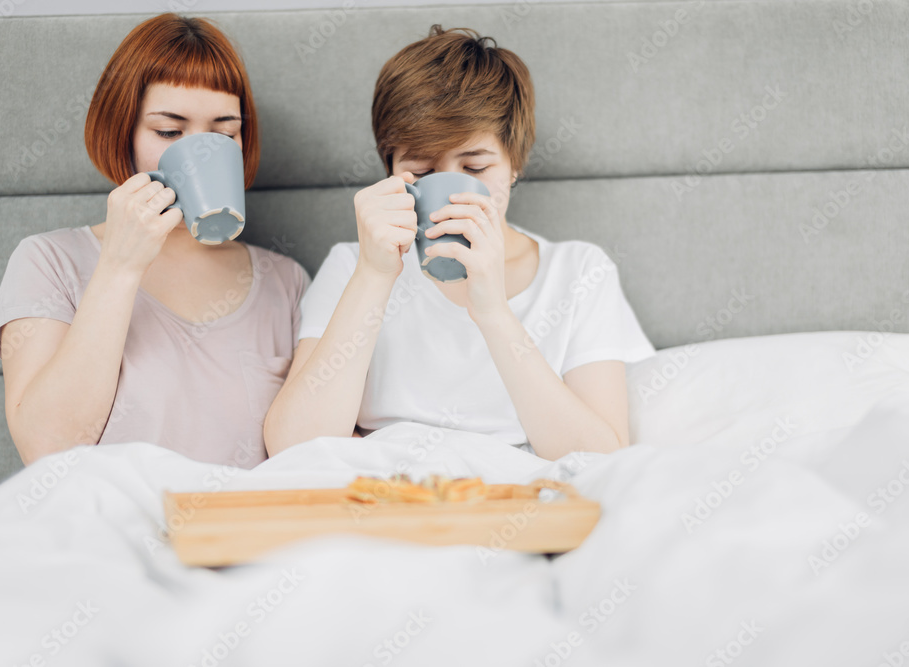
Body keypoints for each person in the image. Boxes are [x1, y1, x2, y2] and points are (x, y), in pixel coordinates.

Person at [263, 25, 654, 461]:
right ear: (391, 173)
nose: (451, 193)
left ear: (514, 165)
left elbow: (604, 458)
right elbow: (292, 447)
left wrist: (491, 312)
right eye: (423, 173)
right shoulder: (352, 266)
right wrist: (374, 276)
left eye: (475, 167)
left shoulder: (579, 271)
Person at [0, 14, 309, 468]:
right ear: (124, 133)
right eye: (169, 132)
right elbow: (48, 451)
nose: (198, 153)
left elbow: (309, 455)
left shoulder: (286, 281)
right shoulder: (48, 261)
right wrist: (120, 267)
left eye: (224, 132)